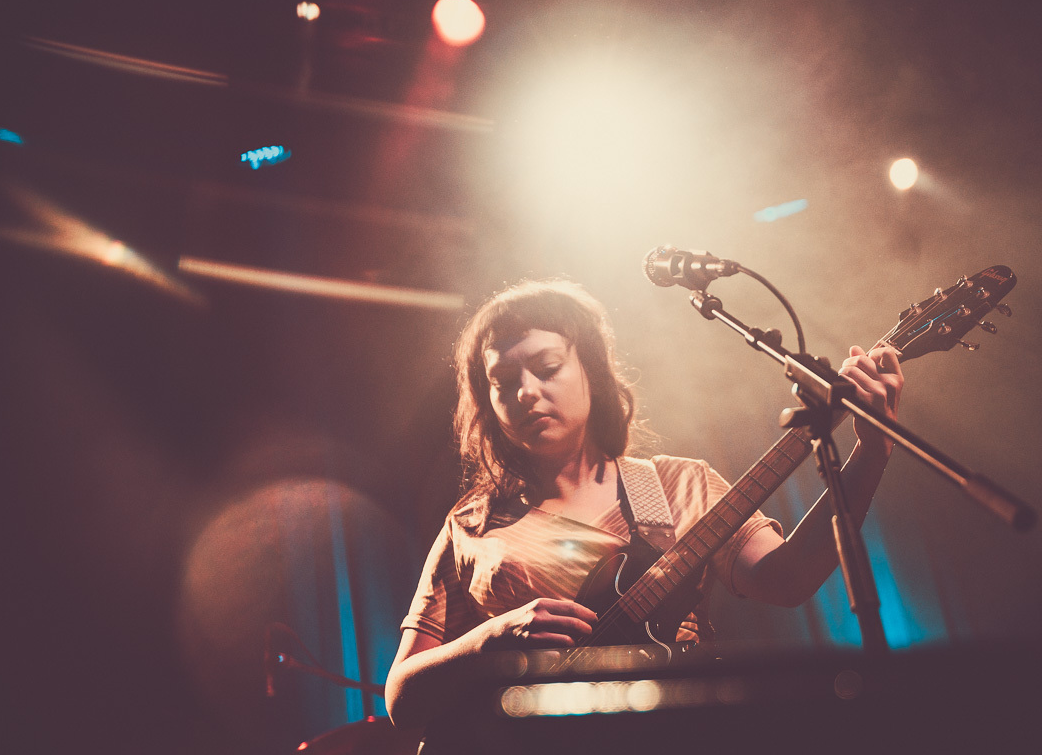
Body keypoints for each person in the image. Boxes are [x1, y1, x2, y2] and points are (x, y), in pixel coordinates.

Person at [385, 279, 903, 729]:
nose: (524, 392)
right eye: (502, 382)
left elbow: (788, 579)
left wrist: (870, 455)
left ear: (590, 369)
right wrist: (491, 638)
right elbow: (402, 697)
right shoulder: (472, 522)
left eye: (546, 367)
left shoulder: (680, 484)